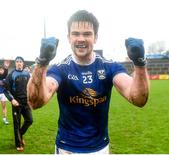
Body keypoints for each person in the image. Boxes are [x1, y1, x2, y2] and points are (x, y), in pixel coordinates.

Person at [27, 10, 149, 154]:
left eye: (87, 34)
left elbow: (139, 99)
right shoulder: (61, 69)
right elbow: (35, 102)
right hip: (67, 148)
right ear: (68, 37)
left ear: (95, 37)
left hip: (100, 148)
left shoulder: (109, 67)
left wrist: (139, 63)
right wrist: (42, 62)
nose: (81, 39)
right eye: (75, 33)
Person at [4, 56, 33, 151]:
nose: (19, 63)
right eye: (17, 61)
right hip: (16, 102)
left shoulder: (27, 74)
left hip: (26, 102)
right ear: (15, 63)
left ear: (23, 63)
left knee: (29, 120)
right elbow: (5, 90)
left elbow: (30, 88)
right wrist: (12, 99)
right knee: (17, 123)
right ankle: (18, 144)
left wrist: (30, 99)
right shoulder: (11, 75)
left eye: (20, 61)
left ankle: (20, 134)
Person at [0, 60, 11, 125]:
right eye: (0, 70)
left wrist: (6, 67)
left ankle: (5, 119)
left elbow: (5, 73)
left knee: (4, 107)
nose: (1, 71)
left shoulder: (5, 76)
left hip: (3, 94)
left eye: (2, 70)